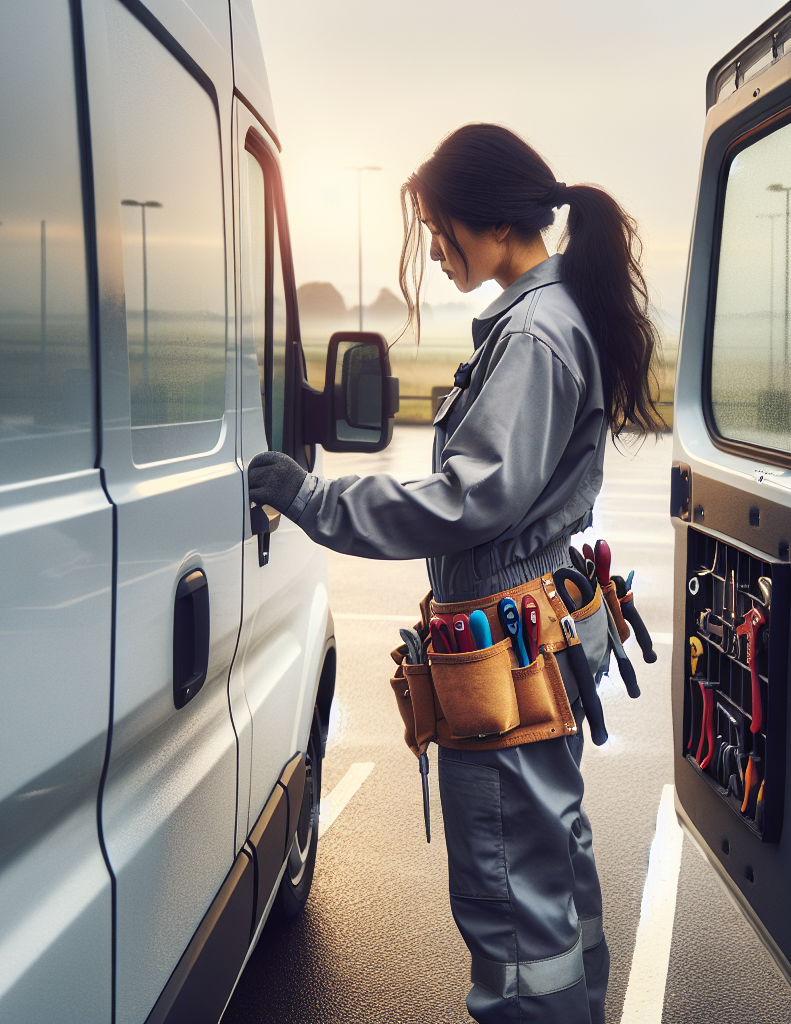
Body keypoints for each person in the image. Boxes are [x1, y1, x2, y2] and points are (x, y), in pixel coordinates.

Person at [244, 123, 660, 1024]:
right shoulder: (544, 318)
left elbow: (465, 502)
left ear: (489, 220)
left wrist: (314, 500)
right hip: (530, 647)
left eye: (440, 230)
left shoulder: (537, 335)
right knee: (550, 884)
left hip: (504, 669)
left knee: (511, 907)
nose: (434, 251)